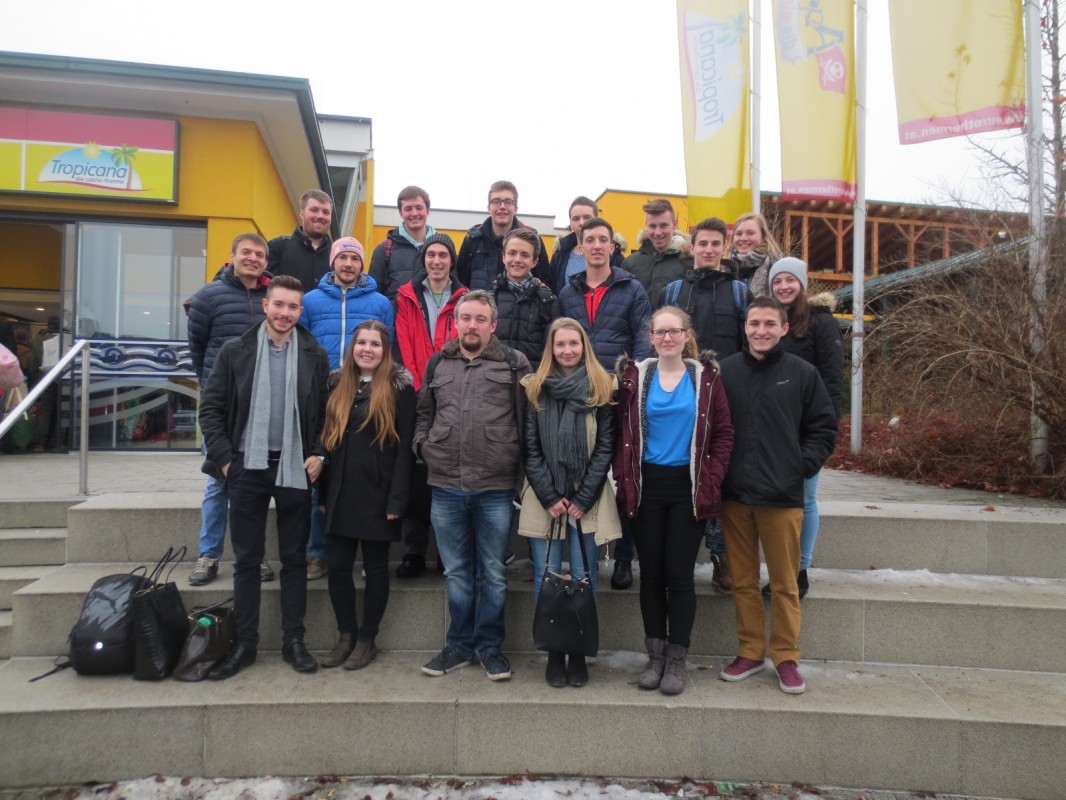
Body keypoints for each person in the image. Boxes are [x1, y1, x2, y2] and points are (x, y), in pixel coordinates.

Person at [198, 275, 330, 679]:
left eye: (293, 307)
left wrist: (319, 453)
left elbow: (326, 414)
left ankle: (294, 641)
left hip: (294, 467)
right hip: (247, 467)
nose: (285, 313)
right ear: (265, 305)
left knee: (293, 560)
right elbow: (211, 409)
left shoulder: (314, 353)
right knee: (247, 562)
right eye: (279, 305)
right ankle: (245, 645)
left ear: (300, 311)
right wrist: (225, 461)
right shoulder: (234, 350)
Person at [718, 297, 838, 694]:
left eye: (770, 323)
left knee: (785, 584)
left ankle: (786, 657)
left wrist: (800, 466)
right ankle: (750, 651)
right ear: (745, 327)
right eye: (754, 323)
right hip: (735, 495)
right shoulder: (726, 372)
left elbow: (823, 427)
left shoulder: (802, 373)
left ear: (784, 328)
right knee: (744, 581)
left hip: (782, 496)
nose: (761, 330)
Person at [614, 306, 734, 695]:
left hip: (689, 488)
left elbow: (724, 432)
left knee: (680, 577)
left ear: (687, 335)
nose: (667, 338)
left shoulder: (706, 378)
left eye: (674, 331)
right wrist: (622, 475)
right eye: (660, 332)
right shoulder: (635, 377)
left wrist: (713, 476)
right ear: (651, 337)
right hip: (646, 486)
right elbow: (620, 431)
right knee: (651, 576)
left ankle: (677, 659)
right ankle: (655, 656)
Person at [414, 290, 531, 681]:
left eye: (481, 319)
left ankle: (489, 647)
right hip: (446, 485)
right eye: (465, 318)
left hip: (495, 488)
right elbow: (424, 413)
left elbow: (526, 421)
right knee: (457, 573)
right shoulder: (438, 362)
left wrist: (520, 476)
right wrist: (423, 446)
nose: (472, 325)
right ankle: (459, 645)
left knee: (493, 572)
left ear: (492, 325)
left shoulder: (514, 363)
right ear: (455, 322)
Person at [519, 318, 618, 688]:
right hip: (544, 496)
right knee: (545, 577)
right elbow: (530, 448)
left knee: (583, 576)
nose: (567, 350)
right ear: (551, 348)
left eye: (573, 343)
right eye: (560, 344)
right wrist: (549, 495)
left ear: (584, 345)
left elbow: (606, 446)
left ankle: (577, 651)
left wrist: (583, 496)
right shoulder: (535, 389)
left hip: (586, 498)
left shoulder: (601, 387)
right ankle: (553, 652)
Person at [559, 217, 653, 592]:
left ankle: (624, 556)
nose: (597, 245)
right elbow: (561, 342)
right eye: (590, 240)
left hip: (618, 396)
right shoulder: (568, 292)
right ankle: (586, 554)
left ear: (612, 247)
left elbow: (642, 342)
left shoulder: (632, 289)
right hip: (580, 397)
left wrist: (629, 384)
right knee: (584, 474)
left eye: (604, 240)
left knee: (624, 476)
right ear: (580, 246)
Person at [317, 320, 415, 671]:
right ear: (352, 347)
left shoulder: (400, 390)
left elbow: (405, 452)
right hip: (340, 493)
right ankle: (346, 635)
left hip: (379, 495)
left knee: (375, 569)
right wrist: (323, 494)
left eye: (375, 344)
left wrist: (397, 501)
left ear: (385, 351)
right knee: (338, 567)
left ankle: (366, 639)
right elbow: (326, 443)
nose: (367, 350)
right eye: (362, 343)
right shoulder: (336, 385)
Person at [658, 216, 750, 594]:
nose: (709, 250)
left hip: (725, 396)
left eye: (716, 244)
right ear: (691, 247)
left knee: (716, 476)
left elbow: (747, 345)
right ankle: (675, 555)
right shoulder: (673, 290)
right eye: (703, 243)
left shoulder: (739, 292)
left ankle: (720, 555)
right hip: (681, 394)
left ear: (724, 248)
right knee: (685, 474)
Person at [298, 236, 394, 581]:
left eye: (355, 258)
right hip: (326, 394)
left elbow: (388, 344)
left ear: (362, 264)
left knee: (367, 475)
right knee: (322, 472)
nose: (348, 264)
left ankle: (370, 553)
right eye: (343, 257)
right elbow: (302, 345)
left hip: (369, 392)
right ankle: (319, 552)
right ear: (333, 262)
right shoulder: (310, 301)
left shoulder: (380, 302)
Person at [185, 234, 272, 587]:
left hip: (262, 402)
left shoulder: (272, 296)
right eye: (246, 252)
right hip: (223, 404)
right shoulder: (208, 296)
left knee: (253, 485)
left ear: (266, 261)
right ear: (232, 256)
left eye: (260, 254)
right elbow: (197, 348)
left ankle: (253, 554)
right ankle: (208, 554)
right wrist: (212, 388)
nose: (253, 259)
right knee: (218, 482)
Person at [763, 258, 844, 599]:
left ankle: (800, 569)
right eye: (777, 281)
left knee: (805, 498)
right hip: (771, 426)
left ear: (802, 283)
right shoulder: (768, 322)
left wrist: (826, 431)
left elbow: (832, 381)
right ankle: (780, 567)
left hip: (806, 427)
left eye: (789, 280)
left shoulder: (822, 323)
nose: (783, 286)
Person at [393, 232, 468, 579]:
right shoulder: (406, 296)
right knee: (416, 468)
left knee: (448, 469)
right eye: (431, 254)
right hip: (415, 391)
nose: (437, 261)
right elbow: (403, 344)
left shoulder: (465, 298)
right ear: (423, 259)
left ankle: (445, 551)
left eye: (443, 255)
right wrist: (417, 387)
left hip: (453, 392)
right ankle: (413, 549)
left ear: (452, 261)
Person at [456, 180, 551, 291]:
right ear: (488, 207)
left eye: (508, 202)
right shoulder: (472, 240)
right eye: (496, 201)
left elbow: (546, 283)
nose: (502, 206)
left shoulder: (533, 240)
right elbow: (459, 282)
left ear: (515, 208)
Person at [491, 227, 560, 370]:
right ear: (503, 257)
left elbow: (553, 349)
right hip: (495, 379)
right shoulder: (489, 298)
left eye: (525, 255)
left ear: (535, 261)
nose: (517, 260)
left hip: (533, 379)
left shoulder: (548, 301)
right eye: (512, 253)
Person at [369, 186, 435, 304]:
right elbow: (373, 297)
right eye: (408, 209)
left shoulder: (443, 248)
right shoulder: (383, 250)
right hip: (396, 315)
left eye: (419, 208)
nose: (414, 213)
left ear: (428, 210)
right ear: (401, 213)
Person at [622, 199, 693, 305]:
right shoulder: (630, 263)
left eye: (663, 225)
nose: (658, 232)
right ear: (646, 225)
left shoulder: (690, 261)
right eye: (652, 226)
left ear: (674, 224)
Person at [548, 196, 622, 295]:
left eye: (587, 217)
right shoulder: (559, 256)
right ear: (570, 223)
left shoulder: (616, 256)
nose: (581, 223)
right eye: (576, 218)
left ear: (596, 219)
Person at [268, 190, 334, 293]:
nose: (320, 216)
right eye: (314, 210)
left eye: (326, 212)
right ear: (302, 214)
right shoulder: (277, 248)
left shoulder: (338, 255)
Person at [728, 212, 783, 298]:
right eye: (739, 233)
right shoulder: (724, 269)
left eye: (750, 233)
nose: (743, 238)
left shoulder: (778, 268)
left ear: (763, 236)